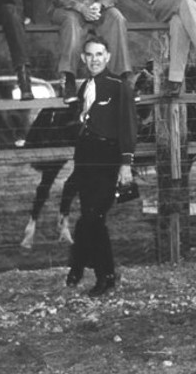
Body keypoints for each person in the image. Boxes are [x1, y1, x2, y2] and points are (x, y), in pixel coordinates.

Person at [65, 36, 136, 297]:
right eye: (89, 55)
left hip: (109, 157)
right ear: (83, 59)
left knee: (93, 217)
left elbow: (128, 127)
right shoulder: (85, 87)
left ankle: (100, 274)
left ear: (108, 56)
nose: (94, 59)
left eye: (99, 54)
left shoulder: (120, 86)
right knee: (90, 217)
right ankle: (87, 269)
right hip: (85, 156)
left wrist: (125, 163)